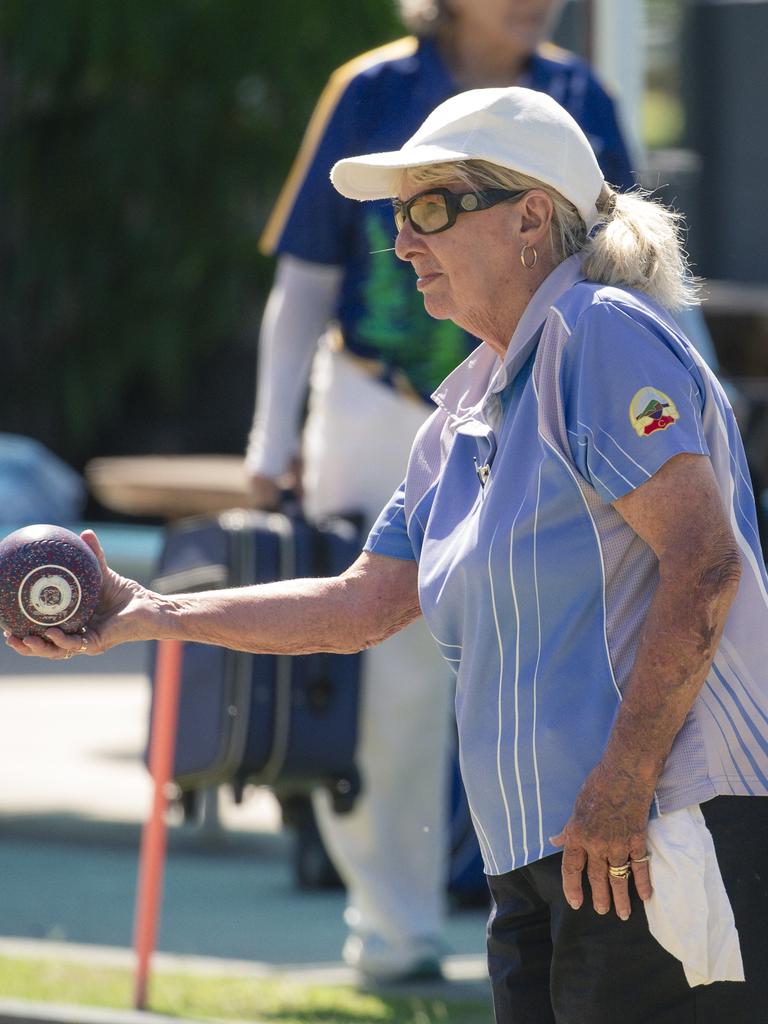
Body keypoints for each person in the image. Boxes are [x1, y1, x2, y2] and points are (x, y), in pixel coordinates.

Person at [11, 85, 768, 1022]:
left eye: (432, 208)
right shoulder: (459, 414)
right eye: (397, 214)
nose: (401, 241)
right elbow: (358, 605)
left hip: (656, 829)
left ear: (533, 217)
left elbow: (706, 565)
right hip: (545, 853)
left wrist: (623, 785)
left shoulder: (598, 333)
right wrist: (149, 613)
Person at [245, 0, 634, 981]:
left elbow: (634, 266)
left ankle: (574, 936)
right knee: (390, 687)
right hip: (381, 412)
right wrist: (268, 439)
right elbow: (303, 278)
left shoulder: (583, 95)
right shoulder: (371, 89)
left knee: (560, 665)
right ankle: (394, 934)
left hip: (545, 407)